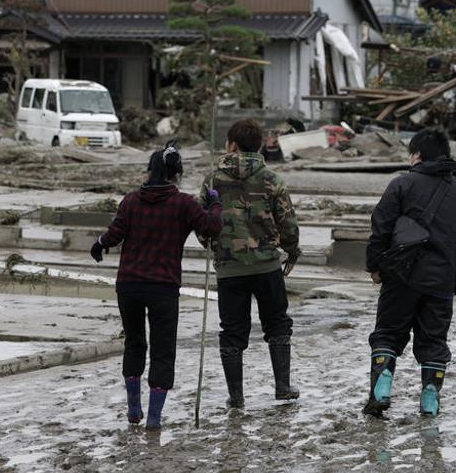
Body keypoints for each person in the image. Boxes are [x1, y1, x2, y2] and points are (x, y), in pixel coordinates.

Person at [91, 140, 222, 430]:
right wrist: (214, 204)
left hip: (129, 286)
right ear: (177, 173)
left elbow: (114, 234)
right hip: (163, 288)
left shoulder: (130, 201)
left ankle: (133, 409)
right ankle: (153, 419)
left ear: (150, 170)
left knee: (134, 343)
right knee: (163, 351)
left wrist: (99, 244)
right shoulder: (184, 204)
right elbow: (211, 227)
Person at [363, 127, 456, 417]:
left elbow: (380, 228)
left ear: (416, 155)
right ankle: (429, 399)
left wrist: (374, 266)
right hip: (441, 280)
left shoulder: (401, 184)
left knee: (388, 334)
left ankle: (382, 389)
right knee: (434, 341)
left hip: (401, 277)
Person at [201, 119, 301, 409]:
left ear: (231, 145)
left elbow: (202, 221)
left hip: (229, 268)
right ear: (258, 146)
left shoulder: (212, 180)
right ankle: (282, 387)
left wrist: (214, 246)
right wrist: (291, 250)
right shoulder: (272, 179)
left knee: (232, 330)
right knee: (277, 324)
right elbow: (288, 223)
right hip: (266, 266)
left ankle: (236, 396)